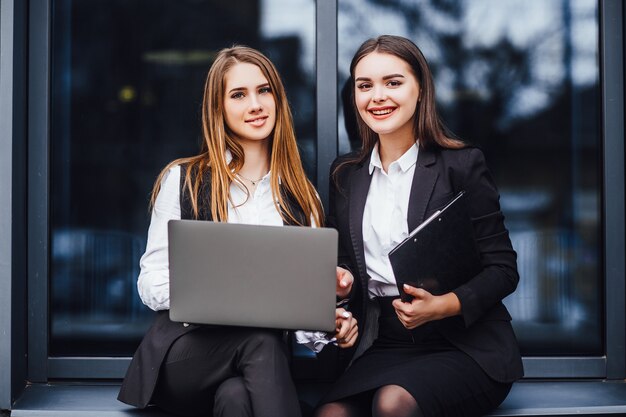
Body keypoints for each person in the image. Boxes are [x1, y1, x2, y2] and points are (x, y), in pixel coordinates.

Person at [118, 45, 358, 417]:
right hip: (186, 355)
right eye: (239, 95)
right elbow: (150, 283)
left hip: (256, 372)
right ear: (219, 108)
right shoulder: (182, 179)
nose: (256, 104)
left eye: (264, 91)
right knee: (260, 339)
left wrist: (328, 316)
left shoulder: (301, 197)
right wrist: (231, 295)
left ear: (278, 99)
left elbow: (302, 318)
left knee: (236, 398)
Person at [315, 35, 523, 417]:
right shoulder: (346, 176)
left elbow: (504, 269)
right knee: (331, 414)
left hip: (466, 344)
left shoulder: (461, 165)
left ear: (421, 89)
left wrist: (443, 306)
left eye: (393, 82)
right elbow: (347, 262)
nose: (377, 96)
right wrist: (341, 280)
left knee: (392, 403)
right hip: (388, 343)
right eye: (365, 86)